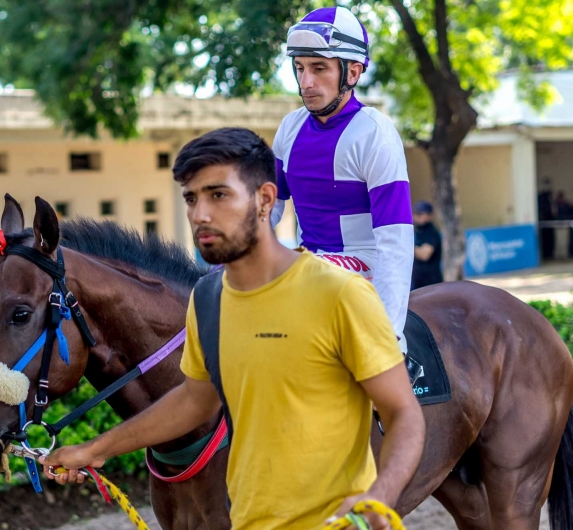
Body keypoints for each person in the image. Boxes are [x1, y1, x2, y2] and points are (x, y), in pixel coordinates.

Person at [41, 128, 425, 529]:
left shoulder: (340, 294)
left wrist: (380, 496)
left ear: (265, 200)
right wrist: (94, 449)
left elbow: (403, 413)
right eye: (192, 198)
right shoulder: (208, 300)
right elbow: (194, 400)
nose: (200, 214)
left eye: (218, 195)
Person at [270, 6, 413, 354]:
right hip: (310, 266)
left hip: (365, 265)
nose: (306, 82)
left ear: (352, 71)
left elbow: (395, 239)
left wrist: (388, 333)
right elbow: (268, 209)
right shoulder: (289, 128)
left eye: (319, 68)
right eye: (300, 68)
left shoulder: (375, 133)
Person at [412, 201, 442, 289]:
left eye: (420, 214)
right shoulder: (418, 231)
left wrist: (406, 246)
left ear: (430, 216)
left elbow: (424, 255)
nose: (416, 216)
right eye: (415, 213)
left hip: (431, 283)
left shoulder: (430, 232)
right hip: (419, 282)